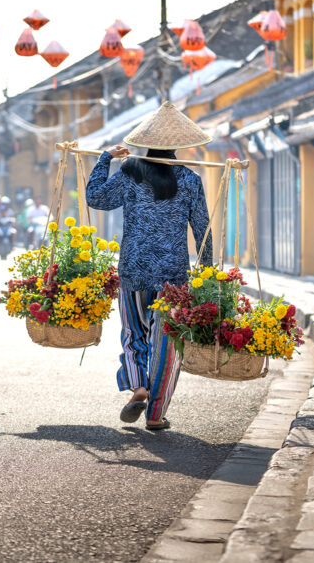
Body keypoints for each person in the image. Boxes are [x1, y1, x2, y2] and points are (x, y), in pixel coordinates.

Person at [86, 101, 212, 431]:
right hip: (173, 275)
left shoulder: (130, 173)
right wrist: (208, 274)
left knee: (133, 334)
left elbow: (95, 198)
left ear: (145, 142)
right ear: (176, 146)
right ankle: (155, 414)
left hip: (133, 270)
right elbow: (203, 229)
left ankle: (138, 385)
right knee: (168, 342)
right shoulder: (190, 179)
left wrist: (105, 159)